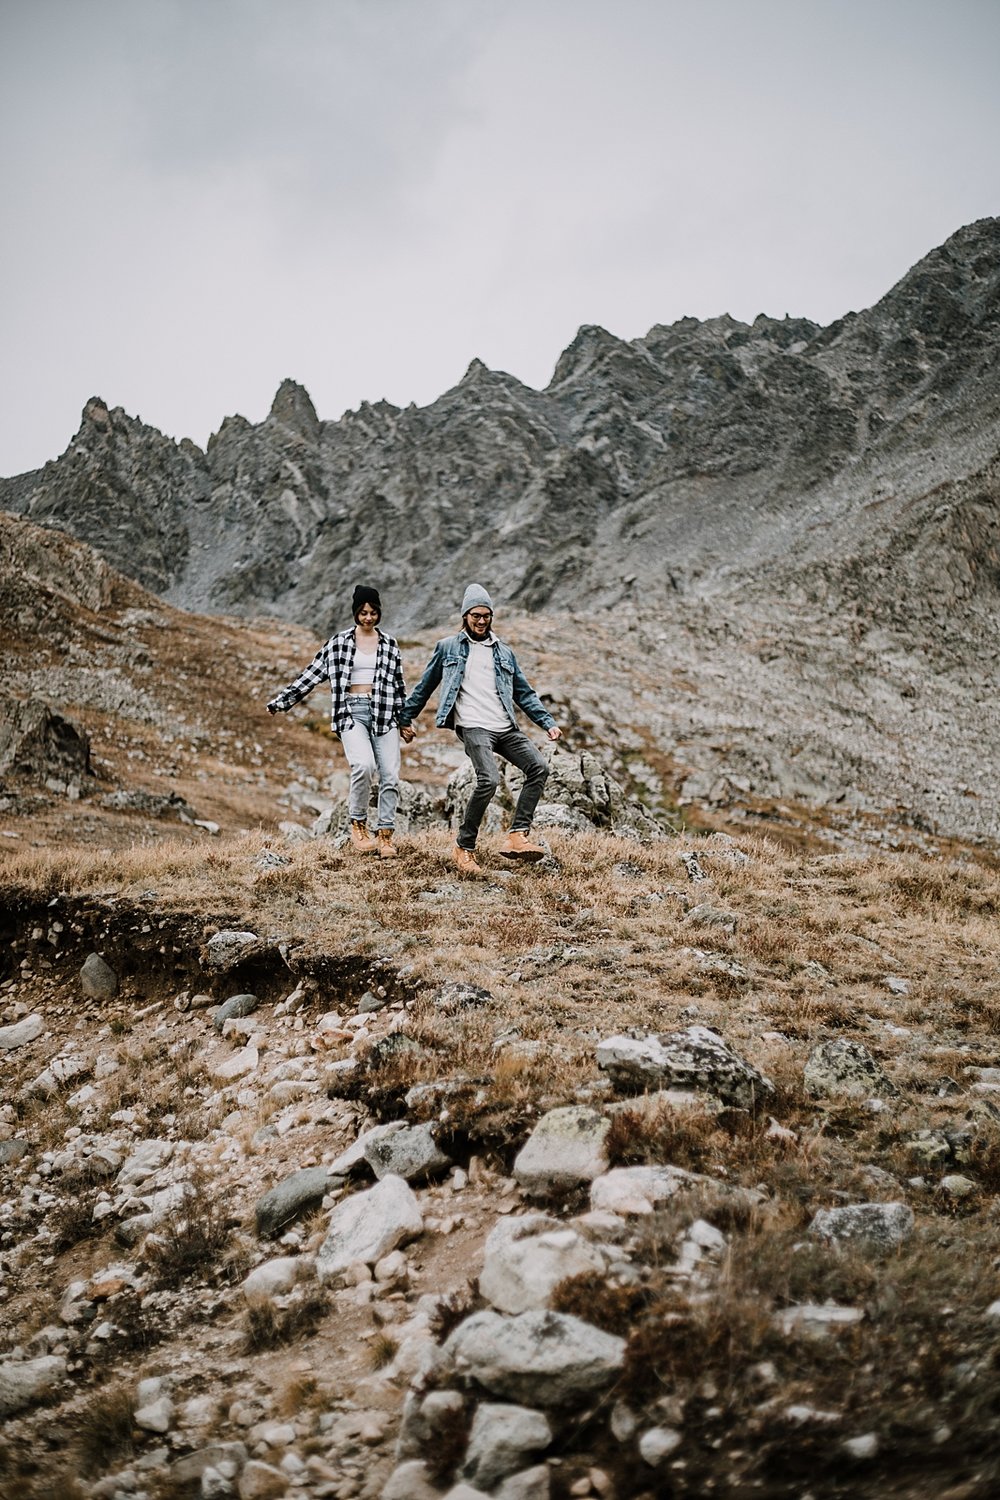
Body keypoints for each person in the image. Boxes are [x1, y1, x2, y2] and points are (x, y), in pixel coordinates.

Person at [400, 584, 561, 873]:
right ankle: (464, 846)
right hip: (473, 726)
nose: (481, 621)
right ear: (465, 616)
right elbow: (425, 686)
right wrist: (405, 718)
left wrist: (547, 723)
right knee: (489, 780)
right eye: (476, 615)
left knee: (539, 767)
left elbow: (524, 694)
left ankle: (517, 836)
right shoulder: (448, 647)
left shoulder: (504, 653)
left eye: (486, 616)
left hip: (504, 726)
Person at [267, 585, 406, 858]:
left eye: (373, 612)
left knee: (390, 774)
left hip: (385, 714)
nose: (368, 618)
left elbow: (399, 687)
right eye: (363, 612)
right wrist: (282, 701)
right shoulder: (338, 643)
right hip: (351, 712)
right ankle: (358, 826)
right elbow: (310, 675)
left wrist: (406, 721)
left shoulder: (390, 644)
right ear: (355, 613)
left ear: (379, 613)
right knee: (363, 765)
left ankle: (386, 835)